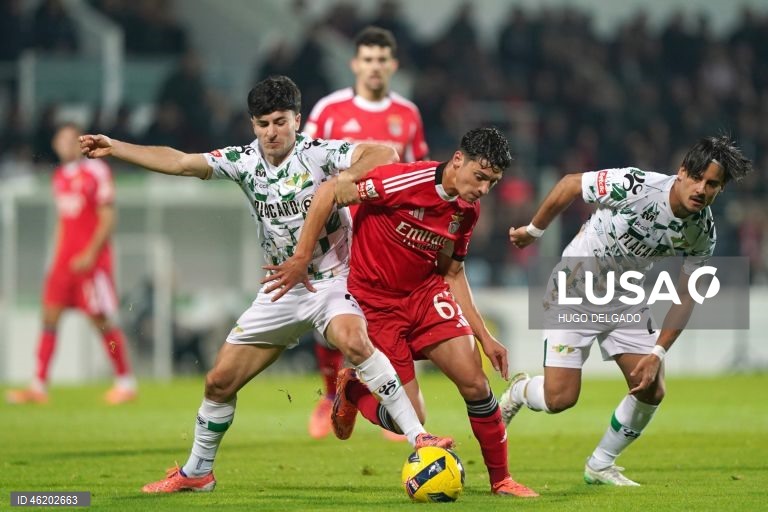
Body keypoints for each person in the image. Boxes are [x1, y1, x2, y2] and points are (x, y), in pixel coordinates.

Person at [79, 75, 453, 494]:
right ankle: (198, 471)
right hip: (280, 289)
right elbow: (181, 162)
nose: (271, 132)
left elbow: (385, 151)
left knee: (352, 339)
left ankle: (419, 438)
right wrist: (117, 148)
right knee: (219, 382)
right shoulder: (242, 159)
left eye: (279, 121)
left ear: (297, 119)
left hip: (333, 280)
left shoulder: (319, 153)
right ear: (252, 124)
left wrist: (343, 183)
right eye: (262, 124)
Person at [265, 127, 539, 497]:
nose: (483, 190)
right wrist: (303, 257)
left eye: (492, 182)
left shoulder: (467, 210)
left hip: (426, 296)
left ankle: (501, 479)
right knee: (411, 417)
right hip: (375, 304)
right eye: (479, 177)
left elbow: (453, 271)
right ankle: (354, 393)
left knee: (475, 382)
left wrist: (484, 336)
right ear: (458, 160)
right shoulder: (401, 181)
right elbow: (331, 192)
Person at [499, 136, 753, 486]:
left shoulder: (702, 232)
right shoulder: (636, 186)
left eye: (712, 185)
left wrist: (659, 352)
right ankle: (520, 391)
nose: (701, 189)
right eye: (697, 178)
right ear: (682, 172)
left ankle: (601, 464)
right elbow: (571, 184)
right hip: (577, 287)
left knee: (652, 388)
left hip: (626, 298)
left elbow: (687, 293)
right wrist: (533, 230)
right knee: (559, 399)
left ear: (719, 191)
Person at [302, 25, 430, 441]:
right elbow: (303, 165)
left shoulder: (407, 114)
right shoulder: (329, 109)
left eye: (382, 60)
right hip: (338, 229)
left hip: (386, 232)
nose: (375, 67)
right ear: (355, 64)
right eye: (368, 60)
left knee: (391, 313)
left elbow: (419, 173)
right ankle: (328, 397)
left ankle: (392, 399)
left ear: (392, 65)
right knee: (328, 307)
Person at [6, 123, 137, 405]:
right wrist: (55, 260)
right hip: (64, 263)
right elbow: (64, 224)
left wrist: (90, 253)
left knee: (101, 323)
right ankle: (38, 385)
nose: (66, 144)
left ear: (80, 144)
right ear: (55, 144)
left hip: (91, 263)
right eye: (61, 139)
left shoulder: (97, 172)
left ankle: (126, 382)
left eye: (71, 139)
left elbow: (107, 218)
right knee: (49, 319)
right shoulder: (59, 177)